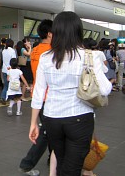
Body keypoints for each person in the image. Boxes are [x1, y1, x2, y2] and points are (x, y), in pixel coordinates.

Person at [29, 12, 112, 176]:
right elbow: (105, 89)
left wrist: (33, 123)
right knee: (73, 168)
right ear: (78, 32)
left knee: (60, 160)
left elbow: (38, 92)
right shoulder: (89, 56)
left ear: (56, 32)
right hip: (79, 118)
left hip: (51, 118)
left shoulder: (46, 58)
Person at [19, 19, 53, 175]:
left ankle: (52, 158)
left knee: (51, 130)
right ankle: (27, 163)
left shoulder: (36, 50)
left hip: (37, 97)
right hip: (49, 97)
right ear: (50, 34)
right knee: (46, 132)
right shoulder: (52, 50)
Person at [0, 39, 17, 104]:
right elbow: (14, 60)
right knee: (13, 84)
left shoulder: (4, 50)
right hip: (11, 70)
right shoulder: (12, 51)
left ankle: (3, 97)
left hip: (4, 70)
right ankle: (13, 98)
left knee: (6, 85)